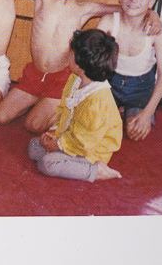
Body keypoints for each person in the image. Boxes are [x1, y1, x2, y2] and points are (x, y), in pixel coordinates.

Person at [0, 0, 143, 133]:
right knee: (0, 116)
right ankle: (43, 103)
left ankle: (61, 106)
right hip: (35, 74)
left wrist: (150, 13)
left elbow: (125, 9)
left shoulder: (84, 9)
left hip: (60, 79)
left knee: (33, 125)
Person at [28, 27, 124, 182]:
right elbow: (65, 111)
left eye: (71, 53)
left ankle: (96, 171)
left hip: (91, 149)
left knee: (47, 164)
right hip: (72, 137)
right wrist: (55, 132)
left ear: (81, 65)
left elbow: (85, 141)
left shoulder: (97, 103)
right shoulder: (75, 79)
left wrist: (59, 145)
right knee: (34, 146)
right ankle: (64, 158)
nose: (67, 55)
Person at [92, 0, 162, 140]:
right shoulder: (108, 22)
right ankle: (116, 110)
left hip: (141, 89)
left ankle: (127, 111)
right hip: (110, 83)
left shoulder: (156, 31)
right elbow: (92, 63)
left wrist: (147, 113)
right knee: (97, 126)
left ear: (151, 1)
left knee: (134, 132)